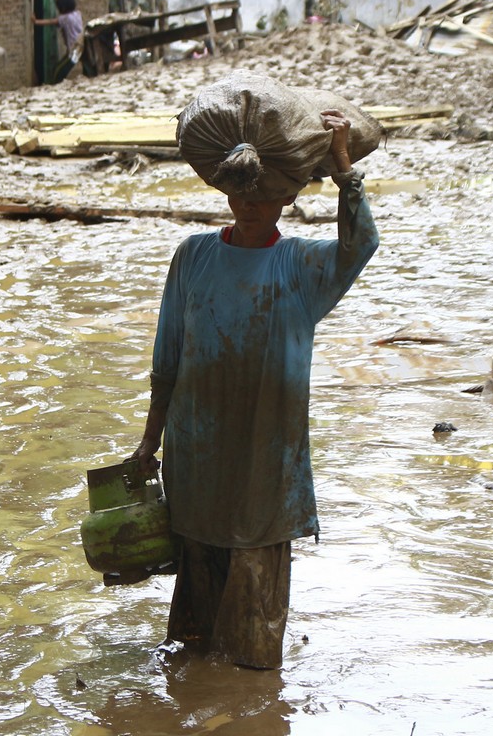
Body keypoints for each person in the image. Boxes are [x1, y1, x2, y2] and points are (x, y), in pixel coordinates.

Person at [132, 110, 378, 670]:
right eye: (243, 193)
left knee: (253, 634)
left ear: (286, 200)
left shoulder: (301, 267)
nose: (251, 205)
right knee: (193, 637)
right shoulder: (193, 256)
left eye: (266, 197)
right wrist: (149, 442)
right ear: (227, 191)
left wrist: (344, 170)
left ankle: (248, 703)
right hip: (196, 454)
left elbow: (359, 244)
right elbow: (166, 359)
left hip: (267, 461)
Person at [31, 0, 83, 83]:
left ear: (62, 8)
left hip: (74, 51)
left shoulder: (65, 18)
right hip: (81, 46)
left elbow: (51, 21)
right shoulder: (78, 14)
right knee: (61, 67)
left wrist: (36, 22)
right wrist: (58, 0)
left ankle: (56, 85)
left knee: (58, 71)